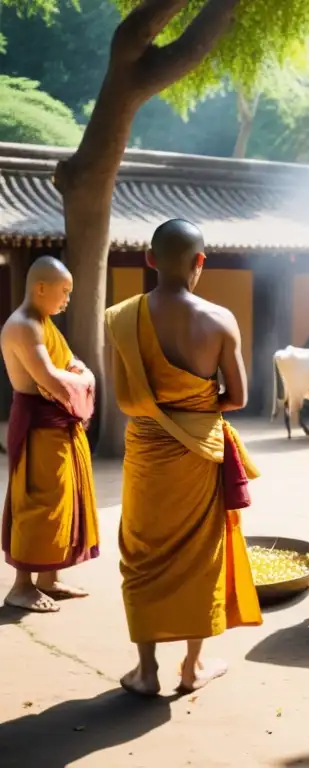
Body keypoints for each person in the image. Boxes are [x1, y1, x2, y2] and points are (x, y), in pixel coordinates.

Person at [105, 219, 263, 696]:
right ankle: (192, 666)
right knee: (200, 557)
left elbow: (127, 400)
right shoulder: (219, 320)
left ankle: (146, 670)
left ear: (149, 259)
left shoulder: (121, 317)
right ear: (200, 262)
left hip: (148, 451)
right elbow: (237, 398)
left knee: (142, 553)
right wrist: (197, 403)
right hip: (199, 456)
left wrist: (167, 409)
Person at [1, 256, 99, 613]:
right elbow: (54, 379)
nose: (68, 298)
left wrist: (79, 375)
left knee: (60, 500)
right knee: (38, 504)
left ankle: (48, 579)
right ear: (41, 288)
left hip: (55, 424)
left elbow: (73, 365)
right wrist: (85, 380)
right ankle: (21, 587)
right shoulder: (24, 326)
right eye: (65, 291)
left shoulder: (43, 323)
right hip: (37, 425)